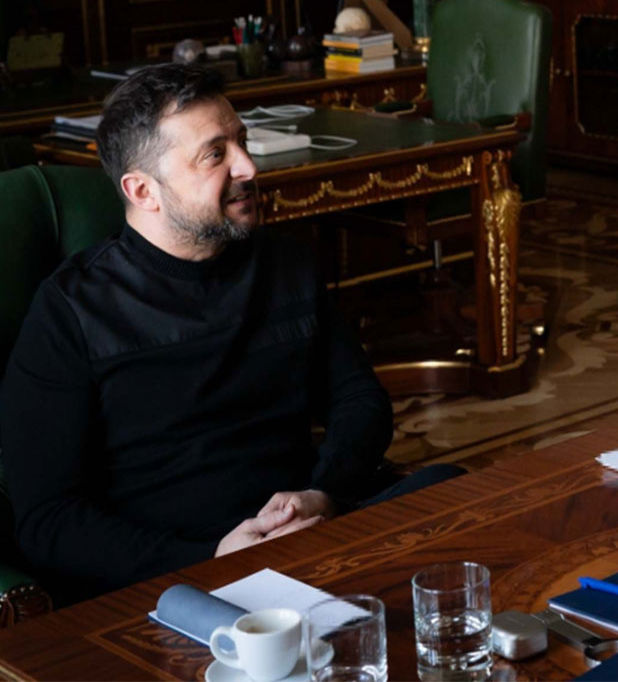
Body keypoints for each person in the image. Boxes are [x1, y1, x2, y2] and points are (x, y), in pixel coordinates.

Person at [0, 64, 453, 603]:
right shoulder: (70, 311)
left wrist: (323, 492)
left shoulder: (286, 263)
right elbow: (49, 521)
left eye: (241, 140)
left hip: (312, 537)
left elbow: (358, 398)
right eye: (216, 154)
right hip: (176, 579)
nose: (248, 166)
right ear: (143, 190)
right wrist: (212, 558)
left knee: (453, 490)